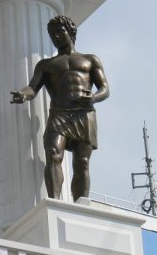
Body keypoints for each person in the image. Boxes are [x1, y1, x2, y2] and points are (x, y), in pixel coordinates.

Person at [11, 15, 109, 202]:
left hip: (84, 113)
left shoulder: (90, 59)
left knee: (82, 162)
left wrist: (93, 98)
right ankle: (54, 201)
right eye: (52, 34)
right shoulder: (46, 65)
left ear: (70, 31)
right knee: (53, 154)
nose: (56, 37)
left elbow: (105, 88)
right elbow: (33, 88)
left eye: (59, 32)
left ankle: (81, 203)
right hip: (59, 115)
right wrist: (23, 94)